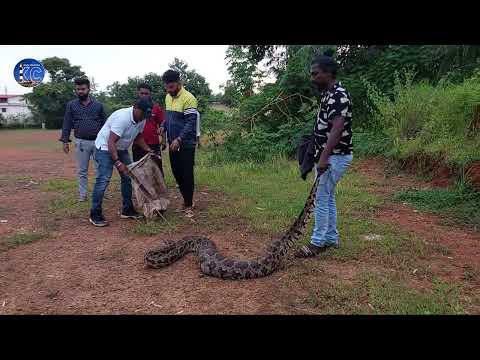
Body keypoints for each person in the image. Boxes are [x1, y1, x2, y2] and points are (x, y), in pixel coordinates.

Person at [295, 52, 354, 257]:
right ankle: (331, 238)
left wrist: (323, 158)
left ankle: (317, 243)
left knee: (320, 198)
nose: (312, 78)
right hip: (331, 155)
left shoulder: (339, 95)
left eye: (316, 74)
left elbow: (337, 129)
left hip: (334, 156)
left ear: (328, 73)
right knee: (327, 197)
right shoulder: (328, 94)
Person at [89, 97, 156, 227]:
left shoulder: (141, 118)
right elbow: (111, 141)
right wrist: (118, 162)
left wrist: (148, 149)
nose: (144, 117)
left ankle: (127, 209)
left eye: (147, 114)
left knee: (128, 177)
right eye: (143, 113)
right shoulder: (123, 118)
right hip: (105, 147)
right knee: (103, 179)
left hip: (121, 148)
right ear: (135, 108)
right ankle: (95, 213)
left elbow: (138, 136)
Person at [59, 77, 107, 202]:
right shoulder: (71, 105)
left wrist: (107, 141)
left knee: (100, 170)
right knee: (82, 171)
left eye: (83, 89)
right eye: (78, 89)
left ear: (88, 89)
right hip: (81, 142)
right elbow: (67, 123)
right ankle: (83, 195)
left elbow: (105, 124)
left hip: (98, 143)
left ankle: (100, 193)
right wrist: (65, 141)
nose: (80, 91)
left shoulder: (98, 105)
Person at [159, 70, 198, 218]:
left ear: (179, 83)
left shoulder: (189, 98)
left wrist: (179, 139)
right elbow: (168, 117)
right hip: (172, 143)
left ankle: (188, 205)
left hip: (186, 144)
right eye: (167, 87)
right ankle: (185, 199)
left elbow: (190, 123)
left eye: (172, 87)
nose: (169, 90)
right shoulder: (168, 97)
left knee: (186, 174)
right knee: (177, 173)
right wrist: (163, 125)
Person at [132, 83, 166, 176]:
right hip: (137, 144)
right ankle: (141, 190)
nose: (144, 95)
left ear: (150, 94)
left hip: (153, 143)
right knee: (139, 170)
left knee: (157, 169)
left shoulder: (156, 107)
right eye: (142, 93)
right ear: (138, 93)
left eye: (146, 93)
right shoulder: (134, 108)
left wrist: (163, 140)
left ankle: (159, 189)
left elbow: (162, 123)